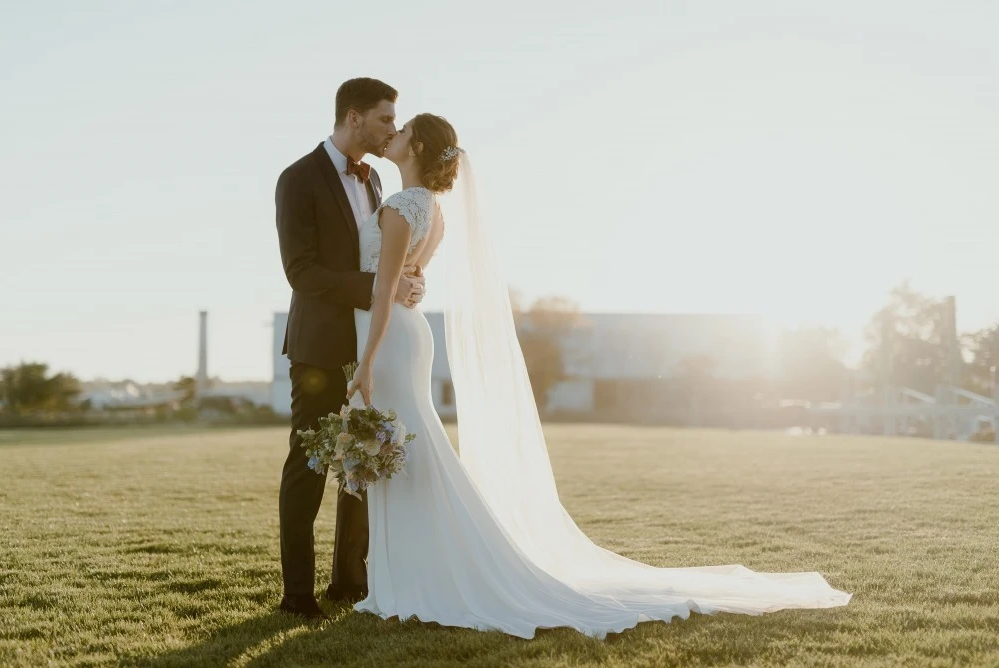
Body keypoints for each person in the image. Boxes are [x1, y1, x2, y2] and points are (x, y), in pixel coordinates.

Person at [343, 112, 851, 639]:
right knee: (406, 450)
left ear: (417, 146)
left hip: (390, 340)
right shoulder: (435, 211)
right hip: (407, 333)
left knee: (404, 450)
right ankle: (406, 577)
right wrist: (400, 299)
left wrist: (365, 362)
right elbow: (410, 279)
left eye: (401, 131)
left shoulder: (404, 206)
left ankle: (415, 578)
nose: (393, 133)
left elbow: (386, 289)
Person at [274, 78, 426, 620]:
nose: (393, 130)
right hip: (319, 348)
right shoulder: (298, 178)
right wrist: (377, 289)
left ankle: (349, 584)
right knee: (308, 464)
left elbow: (381, 261)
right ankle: (297, 596)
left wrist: (408, 283)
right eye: (386, 119)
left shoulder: (381, 182)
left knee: (362, 463)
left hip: (371, 347)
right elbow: (302, 272)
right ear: (354, 117)